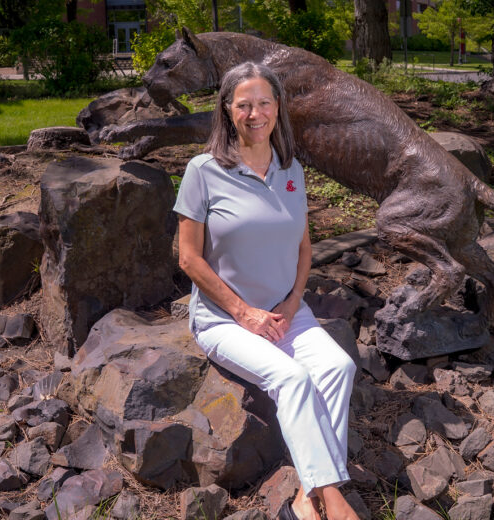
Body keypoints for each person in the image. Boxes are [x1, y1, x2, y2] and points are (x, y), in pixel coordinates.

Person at [173, 61, 361, 520]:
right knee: (292, 379)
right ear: (227, 110)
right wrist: (244, 312)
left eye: (263, 103)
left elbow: (303, 247)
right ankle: (332, 501)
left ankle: (304, 497)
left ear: (277, 107)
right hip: (223, 319)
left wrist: (293, 303)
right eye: (243, 105)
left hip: (287, 313)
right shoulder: (203, 170)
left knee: (338, 366)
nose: (254, 113)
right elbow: (188, 258)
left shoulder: (290, 169)